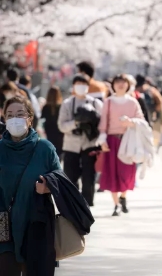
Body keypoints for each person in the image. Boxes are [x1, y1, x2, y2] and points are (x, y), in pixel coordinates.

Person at [0, 95, 61, 275]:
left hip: (36, 226)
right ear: (4, 119)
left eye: (20, 114)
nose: (15, 119)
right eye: (10, 115)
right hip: (4, 228)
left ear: (30, 118)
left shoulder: (45, 149)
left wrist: (47, 187)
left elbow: (62, 184)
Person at [96, 74, 144, 216]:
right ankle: (116, 204)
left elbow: (141, 120)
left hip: (128, 140)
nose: (121, 85)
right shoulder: (108, 102)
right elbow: (103, 122)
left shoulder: (133, 102)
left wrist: (131, 122)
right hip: (112, 141)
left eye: (124, 82)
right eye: (117, 82)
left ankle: (123, 197)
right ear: (113, 85)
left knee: (127, 172)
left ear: (128, 85)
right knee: (112, 173)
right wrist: (102, 139)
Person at [58, 74, 103, 207]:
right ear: (73, 86)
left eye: (84, 85)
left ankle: (87, 205)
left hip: (90, 144)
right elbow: (61, 125)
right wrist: (77, 122)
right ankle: (73, 205)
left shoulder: (96, 103)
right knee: (70, 177)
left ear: (88, 87)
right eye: (78, 84)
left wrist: (92, 123)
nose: (81, 87)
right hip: (71, 145)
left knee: (89, 177)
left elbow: (103, 124)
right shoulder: (67, 104)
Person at [41, 86, 64, 157]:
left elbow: (42, 118)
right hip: (59, 131)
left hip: (49, 130)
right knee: (59, 151)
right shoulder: (61, 106)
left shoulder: (45, 107)